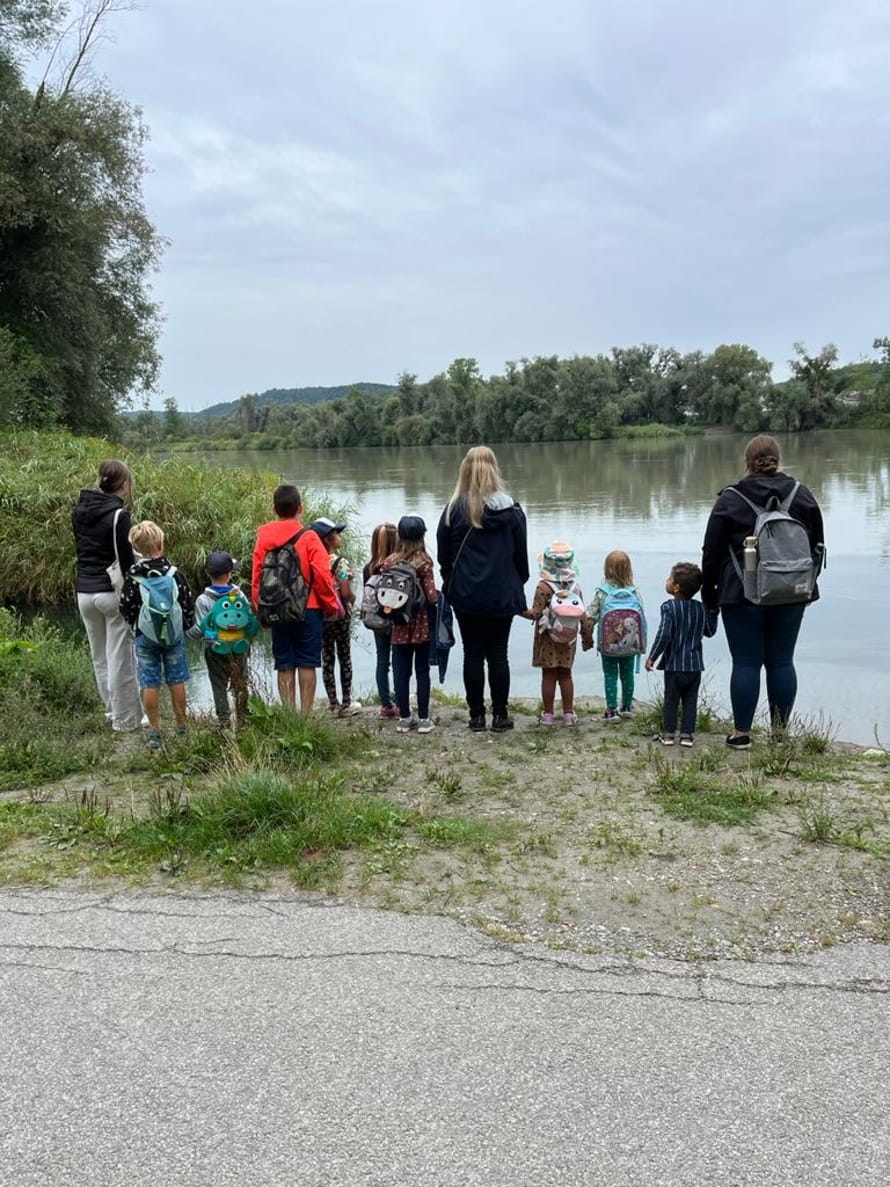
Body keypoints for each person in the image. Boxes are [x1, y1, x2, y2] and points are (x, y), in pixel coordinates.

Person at [701, 434, 825, 749]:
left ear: (748, 462)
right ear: (777, 460)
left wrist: (710, 600)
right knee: (782, 662)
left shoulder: (730, 499)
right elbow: (817, 547)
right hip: (792, 592)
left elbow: (711, 554)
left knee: (745, 663)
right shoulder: (802, 495)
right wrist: (806, 587)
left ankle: (742, 734)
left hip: (740, 594)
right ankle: (779, 735)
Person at [436, 445, 529, 733]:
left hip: (466, 594)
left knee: (472, 653)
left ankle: (476, 716)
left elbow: (443, 556)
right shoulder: (512, 510)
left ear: (465, 469)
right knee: (499, 654)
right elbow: (521, 557)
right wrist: (517, 583)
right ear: (494, 469)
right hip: (502, 593)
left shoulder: (454, 509)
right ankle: (500, 716)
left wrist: (452, 580)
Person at [251, 484, 341, 714]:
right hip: (308, 608)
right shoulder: (309, 537)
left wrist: (260, 607)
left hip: (276, 607)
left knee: (284, 662)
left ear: (274, 509)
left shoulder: (263, 536)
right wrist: (330, 605)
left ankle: (289, 715)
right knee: (307, 662)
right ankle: (305, 716)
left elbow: (257, 575)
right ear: (300, 508)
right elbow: (322, 576)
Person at [71, 458, 143, 732]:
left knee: (99, 657)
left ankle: (112, 711)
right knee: (119, 657)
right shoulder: (118, 516)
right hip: (110, 593)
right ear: (124, 484)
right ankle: (126, 720)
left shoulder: (79, 510)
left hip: (84, 593)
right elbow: (126, 562)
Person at [119, 520, 195, 749]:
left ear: (137, 548)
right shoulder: (173, 573)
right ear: (161, 544)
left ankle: (155, 731)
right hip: (173, 635)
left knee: (150, 682)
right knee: (177, 678)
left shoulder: (134, 575)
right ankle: (182, 727)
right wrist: (184, 626)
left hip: (145, 636)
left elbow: (126, 606)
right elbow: (186, 603)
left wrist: (135, 625)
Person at [645, 562, 719, 747]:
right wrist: (714, 612)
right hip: (694, 665)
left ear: (676, 587)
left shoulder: (669, 607)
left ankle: (669, 734)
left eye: (670, 579)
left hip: (674, 665)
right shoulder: (700, 608)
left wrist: (652, 657)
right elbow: (709, 631)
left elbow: (664, 635)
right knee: (690, 701)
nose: (667, 581)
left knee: (671, 700)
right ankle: (687, 735)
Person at [523, 541, 592, 725]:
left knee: (548, 676)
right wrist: (587, 638)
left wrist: (516, 609)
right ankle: (569, 715)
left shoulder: (543, 588)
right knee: (566, 675)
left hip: (547, 639)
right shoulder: (575, 588)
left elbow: (535, 614)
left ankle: (548, 715)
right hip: (568, 640)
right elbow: (583, 615)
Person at [381, 516, 438, 734]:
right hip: (421, 625)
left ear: (400, 537)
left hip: (399, 625)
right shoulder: (424, 562)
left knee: (400, 671)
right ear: (422, 536)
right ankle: (423, 718)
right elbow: (431, 597)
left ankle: (404, 717)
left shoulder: (389, 562)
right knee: (422, 671)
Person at [189, 551, 259, 729]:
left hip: (215, 652)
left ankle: (224, 720)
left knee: (218, 684)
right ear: (229, 574)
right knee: (241, 683)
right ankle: (242, 718)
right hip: (238, 648)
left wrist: (191, 635)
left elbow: (201, 630)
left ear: (207, 574)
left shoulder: (203, 600)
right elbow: (247, 620)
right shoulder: (240, 596)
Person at [585, 550, 646, 723]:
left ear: (606, 569)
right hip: (631, 646)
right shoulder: (634, 592)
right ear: (629, 570)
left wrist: (586, 635)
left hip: (609, 645)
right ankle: (626, 707)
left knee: (610, 675)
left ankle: (611, 710)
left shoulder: (602, 592)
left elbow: (590, 616)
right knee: (628, 675)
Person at [310, 517, 361, 717]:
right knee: (344, 656)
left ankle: (332, 703)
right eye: (337, 534)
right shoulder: (340, 562)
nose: (341, 537)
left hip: (321, 615)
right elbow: (346, 592)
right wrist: (352, 599)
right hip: (340, 616)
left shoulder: (314, 560)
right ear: (329, 539)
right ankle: (346, 702)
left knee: (327, 657)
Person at [362, 522, 398, 718]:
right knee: (400, 661)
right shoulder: (397, 567)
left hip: (377, 622)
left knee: (382, 660)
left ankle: (385, 704)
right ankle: (400, 702)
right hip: (396, 621)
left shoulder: (368, 568)